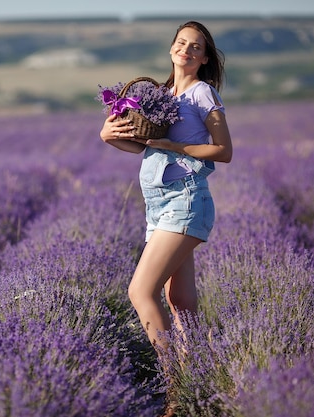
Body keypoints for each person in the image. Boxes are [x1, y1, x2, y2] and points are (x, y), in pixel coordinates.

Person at [99, 21, 232, 416]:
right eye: (181, 43)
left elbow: (223, 151)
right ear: (172, 49)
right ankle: (200, 381)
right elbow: (144, 147)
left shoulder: (202, 93)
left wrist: (177, 145)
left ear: (204, 58)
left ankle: (174, 385)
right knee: (180, 302)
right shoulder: (159, 94)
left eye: (196, 47)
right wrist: (109, 135)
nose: (186, 50)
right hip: (157, 205)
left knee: (140, 292)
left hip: (186, 200)